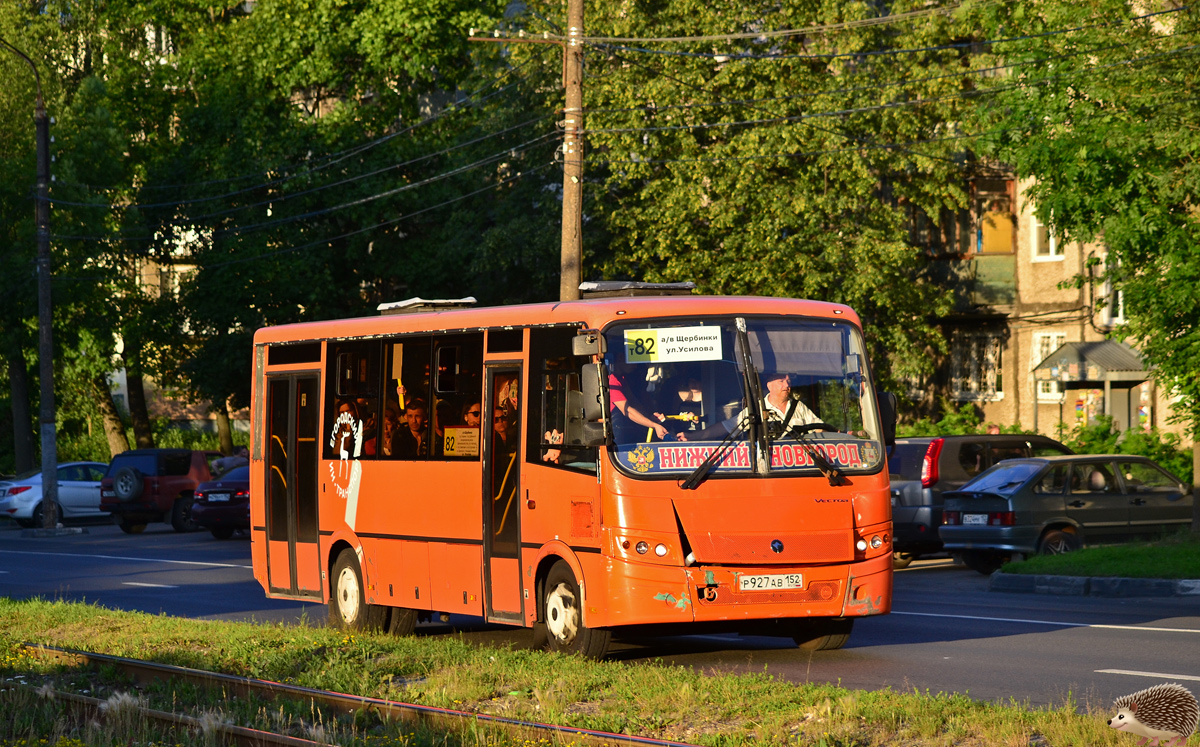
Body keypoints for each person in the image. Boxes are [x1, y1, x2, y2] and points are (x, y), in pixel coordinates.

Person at [679, 371, 819, 442]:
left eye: (788, 382)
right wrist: (693, 436)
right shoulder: (756, 409)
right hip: (769, 469)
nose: (787, 385)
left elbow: (819, 429)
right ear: (769, 386)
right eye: (781, 381)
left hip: (799, 469)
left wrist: (838, 436)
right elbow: (725, 427)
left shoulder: (799, 407)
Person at [608, 360, 672, 442]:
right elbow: (628, 410)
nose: (635, 366)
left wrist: (649, 418)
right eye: (632, 361)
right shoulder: (611, 382)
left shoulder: (621, 379)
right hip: (616, 434)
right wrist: (654, 425)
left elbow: (634, 403)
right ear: (620, 357)